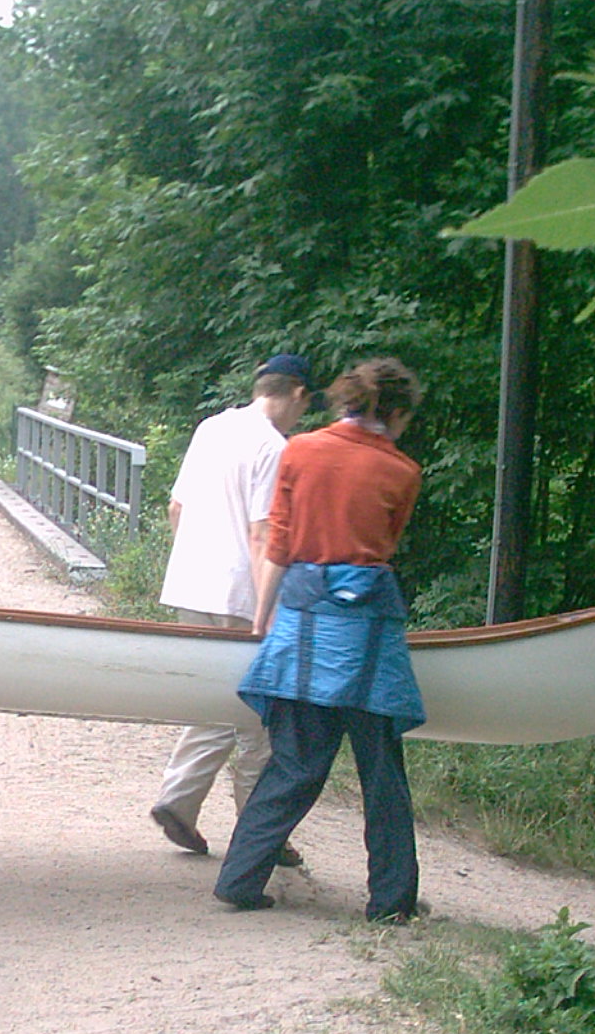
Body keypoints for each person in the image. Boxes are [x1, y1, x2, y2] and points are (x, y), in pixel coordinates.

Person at [212, 357, 427, 924]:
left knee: (294, 765)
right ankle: (391, 903)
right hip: (367, 635)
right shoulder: (403, 471)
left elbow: (277, 540)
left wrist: (263, 619)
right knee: (383, 775)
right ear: (397, 412)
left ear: (346, 401)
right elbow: (387, 544)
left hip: (303, 625)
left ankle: (239, 878)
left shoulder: (300, 450)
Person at [150, 354, 313, 862]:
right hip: (239, 594)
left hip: (190, 586)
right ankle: (261, 828)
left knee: (210, 701)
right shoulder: (273, 447)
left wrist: (192, 565)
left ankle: (181, 801)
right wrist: (266, 610)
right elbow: (262, 533)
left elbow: (177, 507)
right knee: (258, 713)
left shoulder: (211, 428)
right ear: (298, 395)